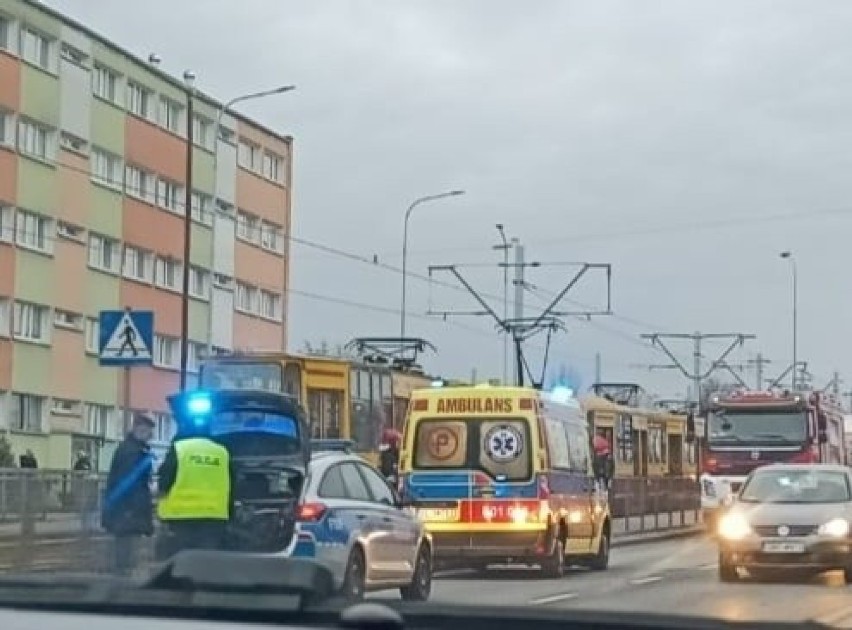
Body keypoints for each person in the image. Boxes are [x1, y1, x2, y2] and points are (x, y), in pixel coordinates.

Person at [157, 421, 234, 555]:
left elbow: (165, 477)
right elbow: (231, 483)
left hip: (181, 515)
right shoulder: (222, 452)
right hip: (214, 516)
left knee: (180, 559)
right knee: (206, 559)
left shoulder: (180, 448)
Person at [102, 414, 155, 575]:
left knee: (127, 553)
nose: (150, 436)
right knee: (127, 555)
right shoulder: (132, 452)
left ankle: (122, 581)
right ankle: (123, 588)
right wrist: (135, 510)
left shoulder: (132, 450)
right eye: (148, 432)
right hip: (129, 511)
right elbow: (129, 485)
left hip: (126, 510)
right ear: (138, 429)